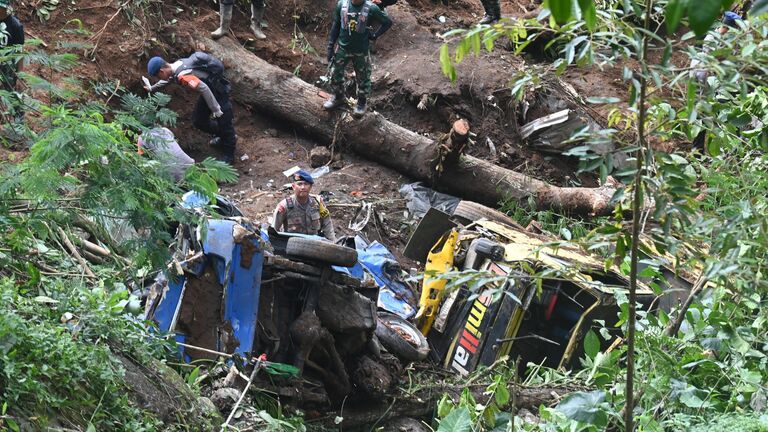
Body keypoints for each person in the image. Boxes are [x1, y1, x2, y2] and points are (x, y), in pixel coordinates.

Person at [144, 52, 237, 164]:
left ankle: (229, 154)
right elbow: (167, 80)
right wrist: (152, 88)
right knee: (199, 120)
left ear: (162, 71)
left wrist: (215, 109)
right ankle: (223, 136)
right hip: (208, 94)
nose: (159, 78)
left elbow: (203, 88)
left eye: (158, 76)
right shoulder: (177, 65)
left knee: (224, 121)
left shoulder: (183, 75)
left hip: (218, 92)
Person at [324, 0, 392, 118]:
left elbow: (387, 22)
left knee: (363, 77)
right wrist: (330, 46)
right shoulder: (342, 4)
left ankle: (361, 103)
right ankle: (338, 96)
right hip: (342, 48)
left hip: (361, 51)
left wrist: (375, 35)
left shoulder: (371, 8)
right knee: (335, 73)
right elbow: (336, 25)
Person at [272, 170, 337, 241]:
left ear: (310, 186)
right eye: (299, 184)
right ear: (293, 186)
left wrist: (334, 243)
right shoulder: (284, 206)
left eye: (306, 184)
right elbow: (273, 231)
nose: (303, 187)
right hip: (292, 246)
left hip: (315, 245)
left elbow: (327, 224)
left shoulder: (318, 203)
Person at [690, 11, 742, 83]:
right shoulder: (711, 36)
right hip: (701, 67)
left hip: (704, 67)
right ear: (726, 28)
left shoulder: (721, 37)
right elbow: (710, 54)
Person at [0, 0, 25, 120]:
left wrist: (20, 74)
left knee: (13, 92)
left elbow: (20, 51)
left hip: (9, 67)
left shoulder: (15, 26)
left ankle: (18, 119)